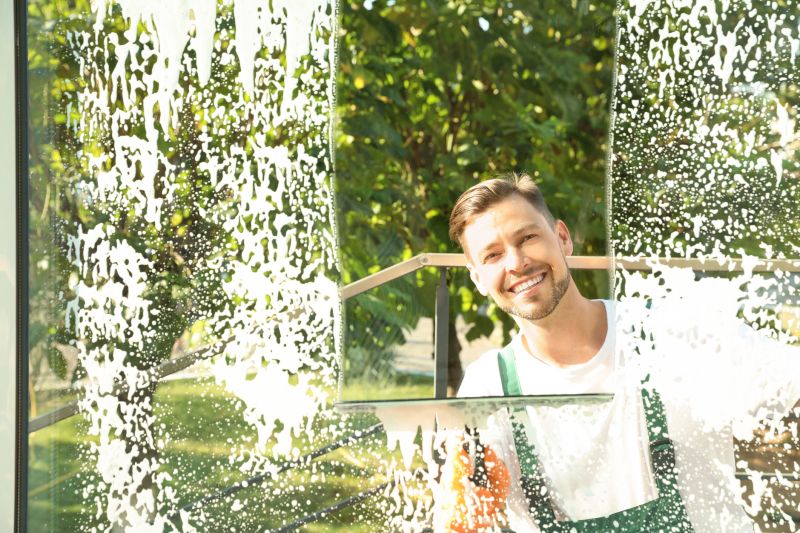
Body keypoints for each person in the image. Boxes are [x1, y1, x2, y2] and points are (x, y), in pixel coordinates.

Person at [439, 173, 800, 532]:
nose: (516, 263)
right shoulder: (489, 387)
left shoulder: (672, 332)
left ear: (562, 239)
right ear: (477, 279)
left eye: (528, 237)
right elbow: (465, 514)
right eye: (493, 255)